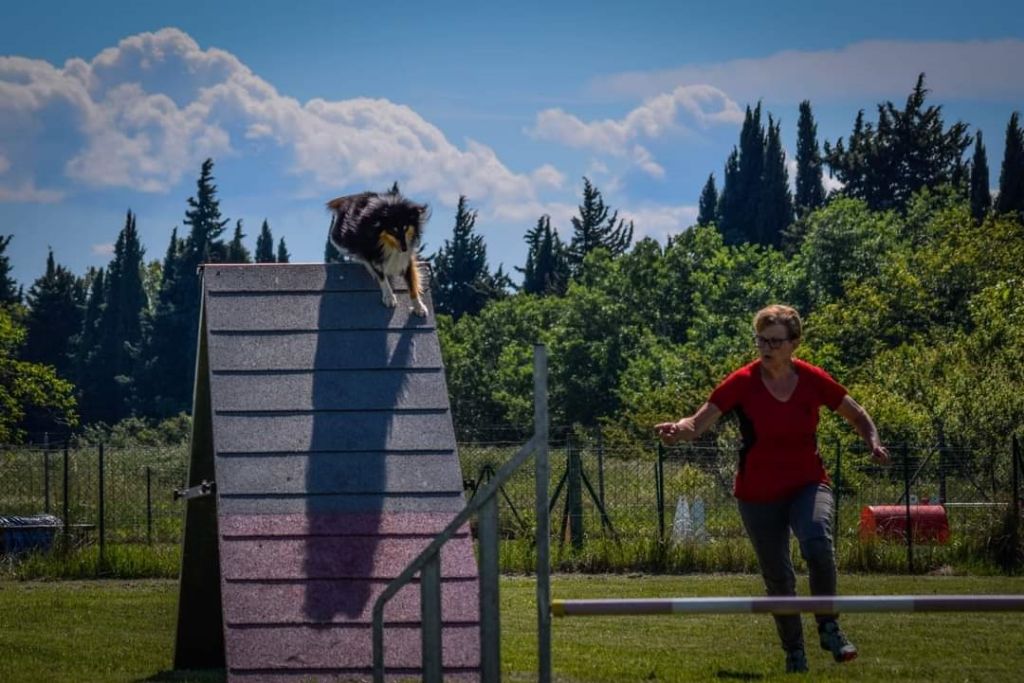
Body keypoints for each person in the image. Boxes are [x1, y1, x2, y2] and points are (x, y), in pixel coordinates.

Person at [655, 304, 889, 674]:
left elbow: (857, 414)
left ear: (794, 342)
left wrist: (873, 442)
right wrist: (677, 430)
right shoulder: (742, 382)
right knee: (778, 577)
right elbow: (698, 423)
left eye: (775, 341)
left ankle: (829, 626)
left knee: (816, 540)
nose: (766, 348)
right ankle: (794, 651)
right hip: (757, 493)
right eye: (761, 340)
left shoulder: (812, 379)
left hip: (807, 483)